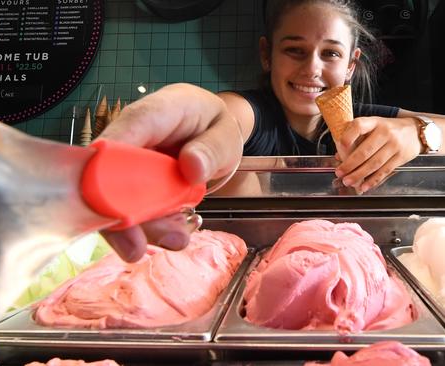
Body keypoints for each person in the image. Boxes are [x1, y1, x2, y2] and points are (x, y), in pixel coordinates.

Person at [98, 0, 445, 262]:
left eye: (331, 54)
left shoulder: (366, 122)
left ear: (351, 65)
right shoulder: (254, 113)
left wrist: (418, 132)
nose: (312, 68)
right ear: (267, 55)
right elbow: (224, 118)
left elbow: (437, 127)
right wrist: (199, 123)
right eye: (295, 50)